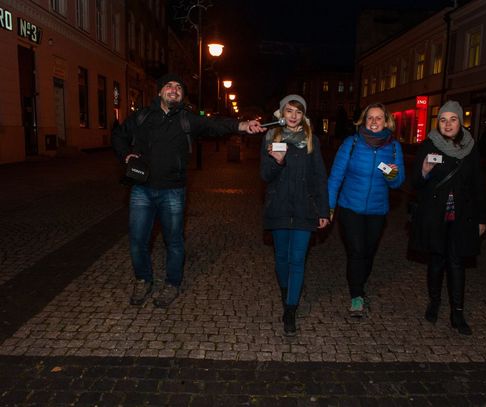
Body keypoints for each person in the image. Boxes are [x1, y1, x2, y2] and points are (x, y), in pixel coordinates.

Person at [112, 73, 265, 308]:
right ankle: (143, 279)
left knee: (173, 241)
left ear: (182, 95)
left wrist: (243, 125)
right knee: (137, 240)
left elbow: (215, 125)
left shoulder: (187, 119)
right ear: (160, 91)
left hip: (173, 191)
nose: (174, 90)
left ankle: (172, 283)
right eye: (169, 86)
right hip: (142, 189)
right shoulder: (142, 116)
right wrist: (126, 155)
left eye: (179, 88)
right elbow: (118, 135)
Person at [410, 100, 486, 336]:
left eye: (453, 119)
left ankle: (457, 313)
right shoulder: (429, 144)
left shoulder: (470, 148)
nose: (448, 124)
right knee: (436, 260)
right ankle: (434, 302)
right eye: (443, 120)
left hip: (462, 215)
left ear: (460, 122)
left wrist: (482, 218)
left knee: (456, 262)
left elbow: (478, 185)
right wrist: (424, 171)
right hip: (436, 214)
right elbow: (415, 183)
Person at [260, 94, 330, 336]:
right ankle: (285, 291)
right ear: (282, 113)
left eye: (298, 112)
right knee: (282, 258)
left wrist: (323, 210)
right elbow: (265, 176)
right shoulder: (271, 137)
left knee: (297, 260)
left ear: (303, 115)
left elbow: (319, 177)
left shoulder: (311, 139)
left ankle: (290, 309)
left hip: (304, 209)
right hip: (279, 207)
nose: (293, 116)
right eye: (289, 110)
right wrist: (277, 162)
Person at [327, 103, 405, 317]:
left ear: (386, 122)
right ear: (363, 120)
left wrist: (392, 176)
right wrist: (329, 207)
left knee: (369, 252)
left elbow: (398, 182)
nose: (374, 121)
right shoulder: (351, 143)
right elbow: (335, 178)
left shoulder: (394, 147)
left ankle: (360, 281)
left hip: (377, 211)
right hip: (350, 207)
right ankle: (357, 295)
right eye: (370, 117)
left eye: (379, 118)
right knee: (357, 251)